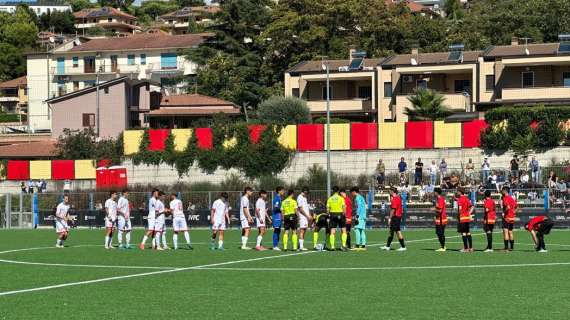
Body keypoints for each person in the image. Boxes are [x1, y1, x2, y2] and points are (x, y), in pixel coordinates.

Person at [381, 187, 407, 251]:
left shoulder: (395, 199)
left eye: (390, 191)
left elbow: (393, 209)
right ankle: (402, 246)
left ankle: (388, 246)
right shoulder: (398, 198)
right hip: (398, 217)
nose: (389, 192)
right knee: (397, 231)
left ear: (393, 191)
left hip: (396, 217)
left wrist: (390, 218)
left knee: (391, 231)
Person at [327, 186, 348, 251]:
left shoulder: (330, 199)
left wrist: (329, 215)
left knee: (332, 231)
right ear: (338, 191)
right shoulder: (341, 198)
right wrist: (344, 214)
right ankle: (343, 245)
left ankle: (332, 246)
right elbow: (344, 207)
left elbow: (327, 209)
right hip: (340, 214)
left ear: (333, 191)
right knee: (343, 230)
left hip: (333, 214)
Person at [456, 188, 474, 253]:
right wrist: (469, 213)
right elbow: (472, 206)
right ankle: (471, 248)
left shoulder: (460, 199)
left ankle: (466, 248)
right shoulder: (466, 198)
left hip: (462, 218)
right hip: (467, 218)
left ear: (460, 192)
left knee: (463, 233)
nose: (457, 193)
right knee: (468, 232)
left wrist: (458, 216)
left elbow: (460, 209)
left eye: (457, 192)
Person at [501, 186, 517, 251]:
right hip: (512, 218)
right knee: (510, 231)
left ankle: (506, 248)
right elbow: (517, 207)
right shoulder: (511, 198)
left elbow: (507, 207)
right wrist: (513, 213)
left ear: (505, 191)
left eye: (502, 190)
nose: (502, 191)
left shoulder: (505, 198)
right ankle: (512, 247)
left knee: (505, 231)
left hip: (507, 217)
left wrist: (504, 213)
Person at [433, 188, 447, 252]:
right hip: (439, 219)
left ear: (436, 192)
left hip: (441, 219)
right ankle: (443, 246)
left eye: (434, 192)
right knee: (439, 233)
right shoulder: (438, 199)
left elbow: (440, 210)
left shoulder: (440, 199)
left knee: (440, 233)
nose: (433, 193)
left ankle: (443, 247)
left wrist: (433, 209)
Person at [272, 187, 285, 251]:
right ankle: (275, 246)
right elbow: (276, 207)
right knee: (276, 230)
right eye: (282, 190)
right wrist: (281, 209)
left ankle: (276, 245)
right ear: (279, 191)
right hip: (276, 216)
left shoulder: (279, 198)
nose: (283, 192)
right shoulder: (277, 198)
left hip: (279, 216)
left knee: (278, 230)